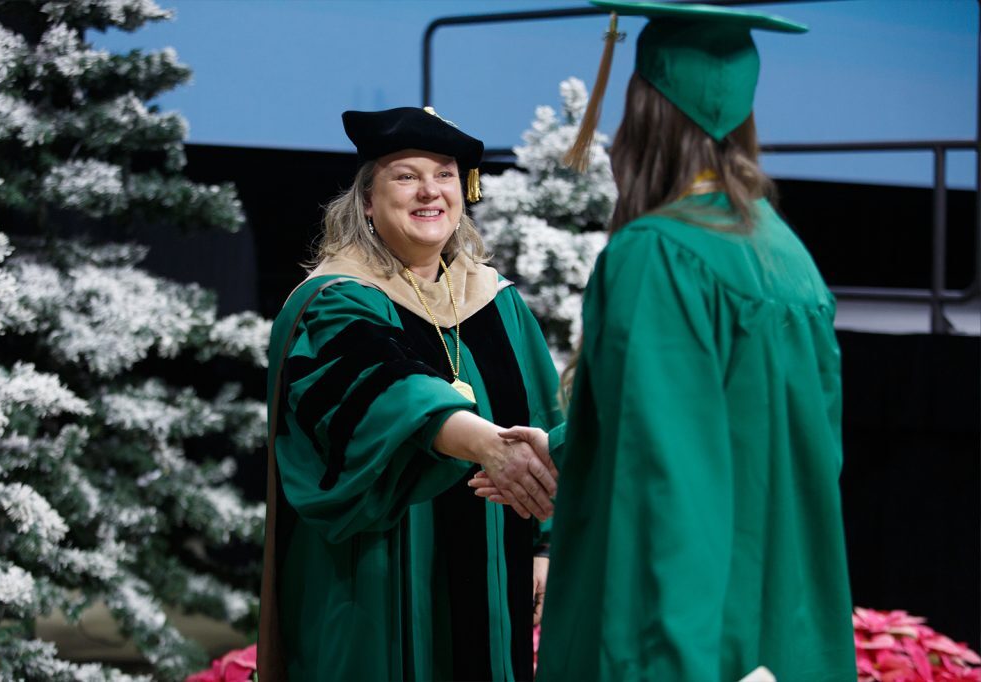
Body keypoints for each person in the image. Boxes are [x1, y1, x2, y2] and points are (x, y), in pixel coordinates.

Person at [473, 2, 857, 680]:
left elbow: (668, 479)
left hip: (687, 638)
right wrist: (567, 445)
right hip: (775, 624)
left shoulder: (660, 253)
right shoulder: (784, 252)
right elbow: (759, 438)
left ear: (646, 113)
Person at [257, 106, 563, 682]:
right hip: (381, 578)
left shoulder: (497, 301)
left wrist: (545, 544)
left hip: (496, 570)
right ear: (367, 201)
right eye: (406, 175)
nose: (430, 191)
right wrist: (489, 445)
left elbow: (546, 412)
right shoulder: (335, 300)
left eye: (445, 174)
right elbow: (386, 389)